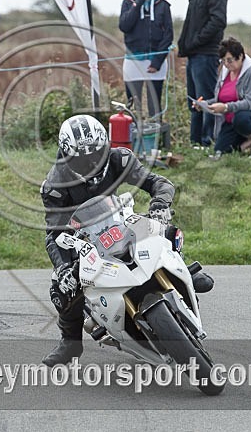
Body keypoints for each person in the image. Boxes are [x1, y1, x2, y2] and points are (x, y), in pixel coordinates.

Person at [40, 115, 213, 366]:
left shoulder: (118, 159)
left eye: (96, 152)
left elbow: (158, 183)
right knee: (60, 287)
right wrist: (64, 267)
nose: (91, 160)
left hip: (119, 219)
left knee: (162, 228)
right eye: (83, 156)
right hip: (85, 237)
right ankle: (70, 343)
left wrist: (159, 205)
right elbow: (54, 232)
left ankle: (184, 270)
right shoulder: (55, 185)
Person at [195, 38, 251, 159]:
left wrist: (226, 107)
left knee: (241, 119)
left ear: (240, 56)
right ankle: (246, 144)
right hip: (231, 120)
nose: (226, 64)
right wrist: (205, 104)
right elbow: (220, 99)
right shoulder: (225, 72)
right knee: (221, 150)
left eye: (230, 60)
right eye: (223, 61)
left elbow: (250, 103)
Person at [177, 0, 228, 149]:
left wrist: (196, 41)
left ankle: (208, 142)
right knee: (194, 101)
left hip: (206, 54)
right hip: (194, 54)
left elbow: (218, 20)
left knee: (206, 100)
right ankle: (195, 142)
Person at [118, 0, 173, 123]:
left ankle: (156, 141)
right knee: (133, 103)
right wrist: (139, 2)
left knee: (154, 105)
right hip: (133, 60)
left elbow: (168, 36)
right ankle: (132, 138)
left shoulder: (163, 5)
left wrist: (157, 62)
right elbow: (124, 26)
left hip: (156, 62)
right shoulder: (128, 3)